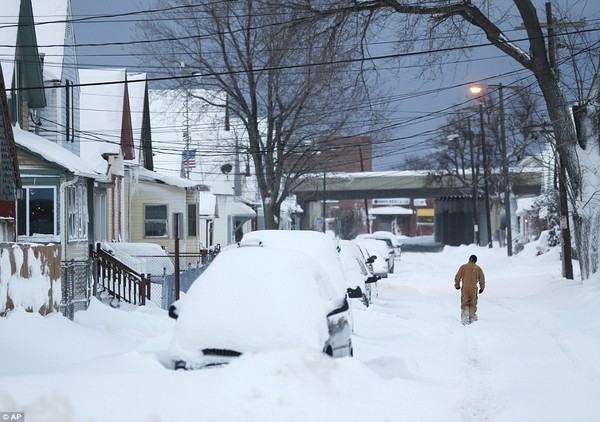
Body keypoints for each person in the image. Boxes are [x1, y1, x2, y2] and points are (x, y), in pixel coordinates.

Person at [454, 254, 485, 325]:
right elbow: (482, 279)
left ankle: (465, 317)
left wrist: (457, 285)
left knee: (465, 302)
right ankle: (472, 316)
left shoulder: (463, 267)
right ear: (475, 261)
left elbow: (457, 276)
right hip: (473, 289)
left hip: (465, 288)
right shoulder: (478, 268)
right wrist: (482, 288)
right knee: (473, 303)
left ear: (469, 259)